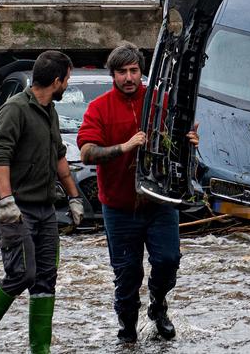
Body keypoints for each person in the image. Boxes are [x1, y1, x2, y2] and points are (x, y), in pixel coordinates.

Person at [77, 43, 201, 343]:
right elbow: (86, 153)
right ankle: (128, 331)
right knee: (127, 273)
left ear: (142, 72)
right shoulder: (99, 108)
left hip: (159, 202)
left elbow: (180, 141)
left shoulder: (161, 102)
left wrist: (191, 142)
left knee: (168, 259)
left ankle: (158, 305)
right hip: (119, 207)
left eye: (134, 71)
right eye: (122, 72)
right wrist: (125, 147)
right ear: (113, 75)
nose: (129, 77)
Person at [0, 50, 86, 354]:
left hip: (45, 210)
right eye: (67, 80)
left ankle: (40, 349)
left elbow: (59, 155)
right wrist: (5, 201)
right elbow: (0, 154)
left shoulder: (51, 112)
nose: (67, 85)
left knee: (46, 279)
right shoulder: (15, 109)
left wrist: (74, 197)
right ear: (57, 81)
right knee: (22, 273)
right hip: (16, 208)